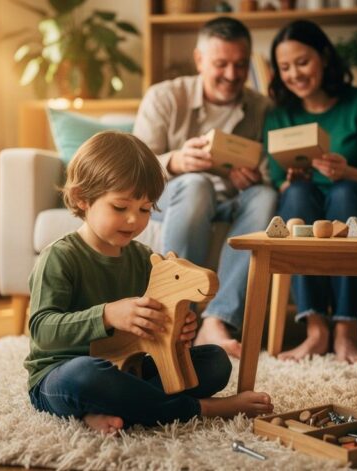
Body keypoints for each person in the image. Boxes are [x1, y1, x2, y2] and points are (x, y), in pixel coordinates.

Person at [25, 131, 273, 435]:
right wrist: (108, 315)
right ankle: (201, 408)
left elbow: (155, 321)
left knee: (215, 362)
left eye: (144, 209)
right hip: (63, 373)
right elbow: (42, 331)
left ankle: (114, 408)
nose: (134, 220)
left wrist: (179, 329)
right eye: (120, 207)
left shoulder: (144, 258)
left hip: (130, 368)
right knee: (86, 375)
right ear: (82, 199)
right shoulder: (59, 257)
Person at [264, 20, 357, 363]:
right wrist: (291, 178)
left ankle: (346, 331)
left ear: (325, 57)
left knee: (344, 192)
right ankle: (316, 330)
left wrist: (348, 171)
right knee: (296, 195)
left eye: (302, 62)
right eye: (284, 67)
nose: (294, 74)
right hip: (311, 205)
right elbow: (276, 182)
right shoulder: (278, 115)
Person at [133, 17, 276, 359]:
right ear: (200, 60)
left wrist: (254, 177)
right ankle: (176, 311)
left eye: (240, 65)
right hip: (174, 197)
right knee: (196, 184)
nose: (231, 74)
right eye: (221, 64)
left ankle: (217, 320)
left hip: (233, 200)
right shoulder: (165, 97)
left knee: (266, 196)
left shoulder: (262, 108)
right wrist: (175, 161)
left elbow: (274, 173)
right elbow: (132, 167)